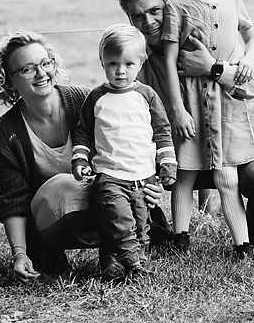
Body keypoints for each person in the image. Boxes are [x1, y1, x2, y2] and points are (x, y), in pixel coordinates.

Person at [118, 0, 254, 255]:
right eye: (137, 17)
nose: (148, 22)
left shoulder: (202, 38)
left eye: (155, 11)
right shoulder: (134, 60)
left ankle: (252, 241)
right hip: (172, 158)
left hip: (224, 150)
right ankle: (159, 234)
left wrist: (212, 67)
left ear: (169, 6)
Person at [0, 31, 167, 280]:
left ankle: (116, 253)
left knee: (113, 188)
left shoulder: (87, 100)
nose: (41, 74)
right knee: (68, 185)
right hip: (53, 217)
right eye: (28, 69)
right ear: (9, 79)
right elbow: (12, 198)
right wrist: (20, 253)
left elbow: (136, 144)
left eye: (45, 63)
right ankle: (52, 250)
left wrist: (149, 182)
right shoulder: (7, 131)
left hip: (110, 202)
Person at [156, 0, 254, 258]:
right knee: (185, 173)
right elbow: (170, 61)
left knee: (227, 175)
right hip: (191, 100)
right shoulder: (177, 6)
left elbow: (253, 37)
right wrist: (177, 110)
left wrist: (248, 60)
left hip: (226, 102)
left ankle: (243, 245)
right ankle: (181, 238)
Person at [71, 24, 177, 280]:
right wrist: (80, 159)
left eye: (128, 64)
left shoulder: (147, 95)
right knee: (120, 221)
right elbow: (83, 131)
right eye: (113, 64)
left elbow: (162, 131)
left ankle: (111, 264)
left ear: (141, 62)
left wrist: (167, 164)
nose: (120, 71)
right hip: (109, 176)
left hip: (141, 176)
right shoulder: (97, 97)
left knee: (140, 226)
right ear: (102, 62)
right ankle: (134, 266)